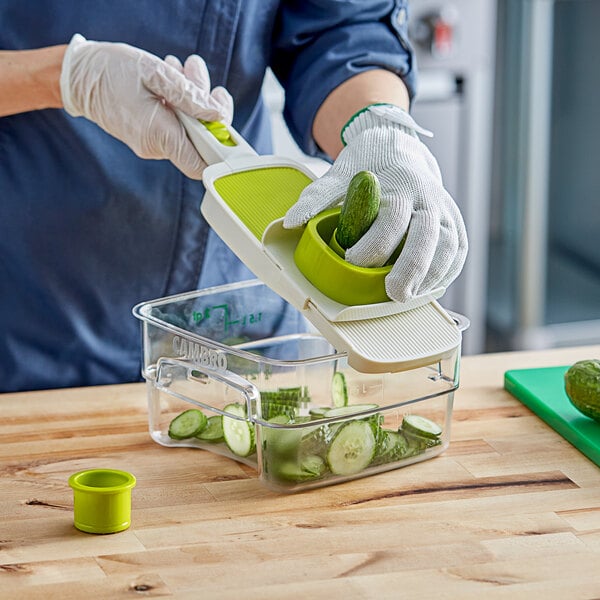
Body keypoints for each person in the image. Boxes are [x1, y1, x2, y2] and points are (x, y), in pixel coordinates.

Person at [0, 1, 467, 393]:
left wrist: (377, 126)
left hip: (244, 304)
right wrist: (67, 75)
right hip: (36, 322)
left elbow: (342, 25)